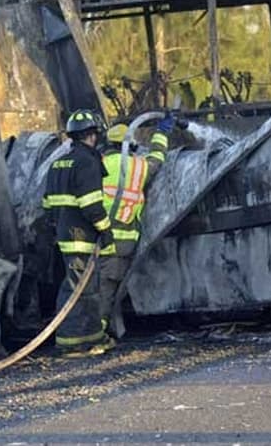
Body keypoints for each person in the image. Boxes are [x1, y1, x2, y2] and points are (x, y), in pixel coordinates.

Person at [43, 109, 116, 357]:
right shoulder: (88, 162)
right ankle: (71, 342)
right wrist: (106, 230)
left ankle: (91, 338)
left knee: (83, 287)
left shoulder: (58, 163)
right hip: (81, 236)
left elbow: (47, 204)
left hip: (65, 234)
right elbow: (91, 204)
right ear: (93, 135)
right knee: (78, 288)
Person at [99, 113, 174, 332]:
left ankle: (98, 329)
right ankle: (99, 330)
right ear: (131, 145)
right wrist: (162, 133)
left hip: (98, 236)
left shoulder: (98, 164)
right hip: (125, 239)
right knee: (110, 286)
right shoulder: (138, 167)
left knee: (99, 285)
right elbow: (157, 158)